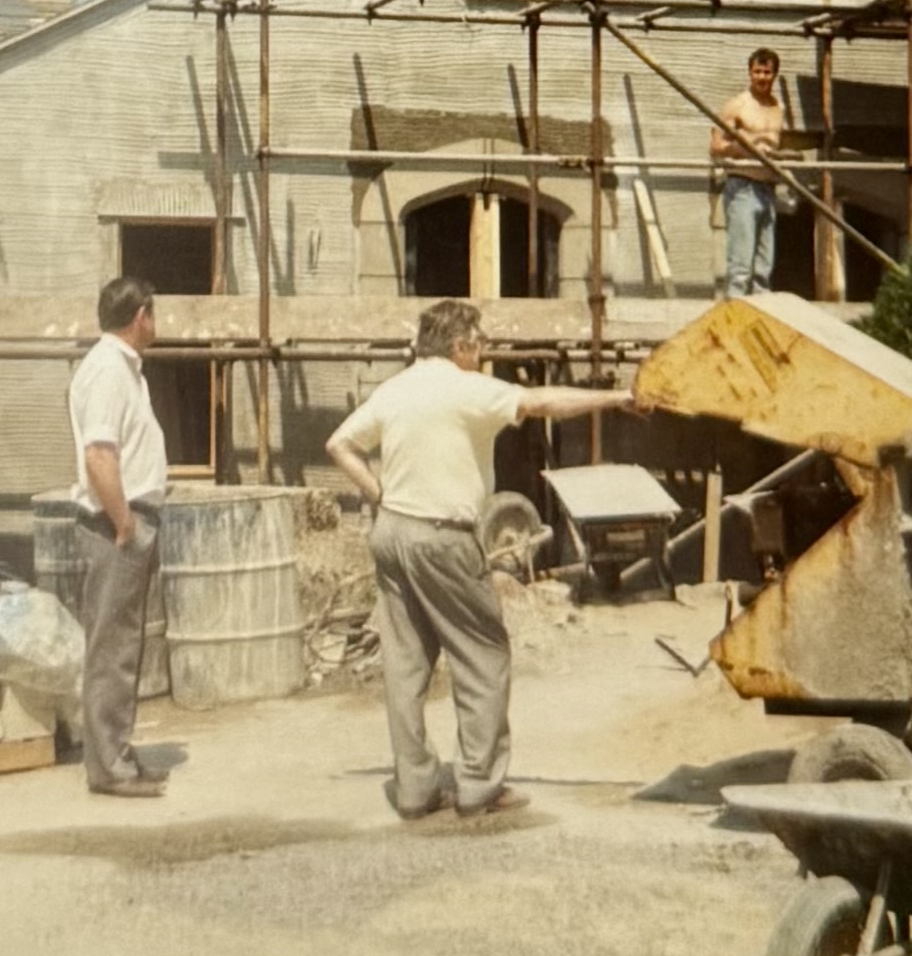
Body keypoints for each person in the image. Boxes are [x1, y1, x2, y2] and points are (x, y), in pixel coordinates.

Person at [326, 300, 641, 820]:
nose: (486, 349)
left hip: (392, 533)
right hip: (441, 535)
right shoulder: (465, 387)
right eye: (482, 341)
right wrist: (617, 396)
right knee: (484, 654)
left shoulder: (398, 386)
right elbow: (543, 403)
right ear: (461, 346)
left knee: (405, 666)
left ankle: (415, 790)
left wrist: (379, 494)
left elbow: (339, 444)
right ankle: (478, 785)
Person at [66, 276, 171, 797]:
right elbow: (99, 454)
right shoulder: (108, 371)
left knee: (125, 644)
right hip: (115, 525)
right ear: (141, 315)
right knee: (112, 646)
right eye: (154, 314)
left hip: (127, 520)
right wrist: (125, 524)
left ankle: (118, 754)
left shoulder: (122, 369)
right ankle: (108, 766)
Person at [710, 46, 789, 297]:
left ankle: (760, 325)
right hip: (743, 188)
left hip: (768, 189)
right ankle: (734, 323)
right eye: (757, 71)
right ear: (749, 72)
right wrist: (748, 148)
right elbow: (716, 147)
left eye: (767, 72)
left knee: (763, 271)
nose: (762, 77)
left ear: (774, 74)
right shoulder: (737, 105)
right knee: (741, 269)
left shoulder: (779, 107)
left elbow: (778, 145)